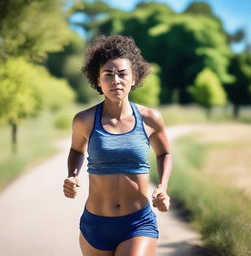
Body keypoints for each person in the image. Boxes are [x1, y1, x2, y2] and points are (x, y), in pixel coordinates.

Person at [63, 34, 172, 256]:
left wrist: (163, 186)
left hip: (138, 223)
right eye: (108, 75)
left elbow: (165, 154)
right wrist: (72, 175)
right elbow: (76, 150)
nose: (116, 81)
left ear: (134, 78)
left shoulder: (151, 118)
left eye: (123, 74)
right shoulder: (84, 120)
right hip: (95, 225)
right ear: (98, 80)